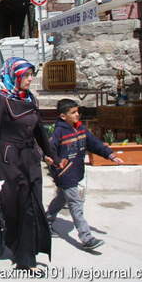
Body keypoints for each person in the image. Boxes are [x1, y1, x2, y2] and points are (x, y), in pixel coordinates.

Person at [0, 57, 66, 271]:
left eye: (31, 75)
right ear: (14, 76)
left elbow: (40, 132)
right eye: (26, 75)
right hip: (8, 161)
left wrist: (51, 156)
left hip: (30, 160)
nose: (30, 79)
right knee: (12, 208)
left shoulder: (30, 99)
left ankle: (25, 258)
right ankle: (4, 241)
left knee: (31, 206)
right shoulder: (0, 99)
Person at [45, 99, 124, 249]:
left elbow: (95, 143)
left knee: (61, 199)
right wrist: (53, 162)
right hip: (65, 174)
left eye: (77, 112)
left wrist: (111, 155)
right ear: (63, 116)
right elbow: (49, 151)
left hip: (76, 172)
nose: (77, 115)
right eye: (73, 113)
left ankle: (45, 221)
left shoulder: (81, 129)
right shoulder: (58, 132)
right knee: (76, 204)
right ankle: (86, 238)